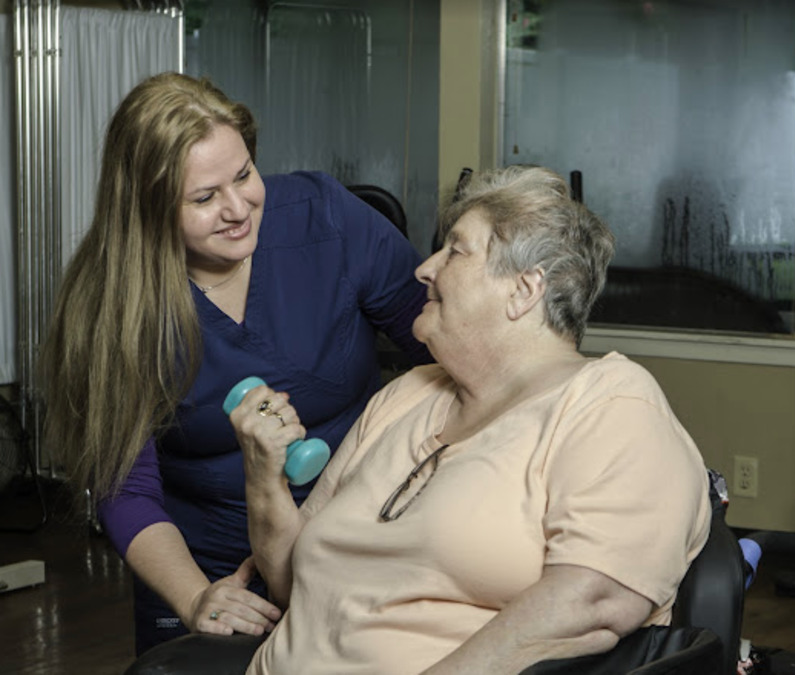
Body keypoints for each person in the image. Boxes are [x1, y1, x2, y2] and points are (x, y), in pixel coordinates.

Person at [227, 164, 712, 674]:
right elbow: (293, 583)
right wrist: (263, 477)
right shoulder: (407, 394)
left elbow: (594, 599)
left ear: (524, 290)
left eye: (455, 251)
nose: (424, 268)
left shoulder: (611, 405)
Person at [39, 72, 431, 655]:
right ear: (147, 208)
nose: (237, 208)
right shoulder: (112, 304)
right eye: (203, 198)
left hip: (359, 543)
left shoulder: (324, 218)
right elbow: (126, 487)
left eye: (244, 174)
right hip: (211, 566)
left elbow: (444, 342)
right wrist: (196, 597)